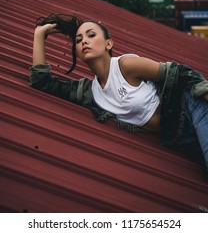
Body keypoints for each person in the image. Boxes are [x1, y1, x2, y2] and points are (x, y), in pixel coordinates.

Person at [29, 13, 208, 173]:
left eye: (91, 35)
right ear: (78, 52)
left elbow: (181, 73)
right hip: (179, 137)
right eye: (78, 40)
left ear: (109, 44)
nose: (84, 41)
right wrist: (39, 35)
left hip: (195, 108)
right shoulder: (91, 93)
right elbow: (42, 83)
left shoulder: (125, 66)